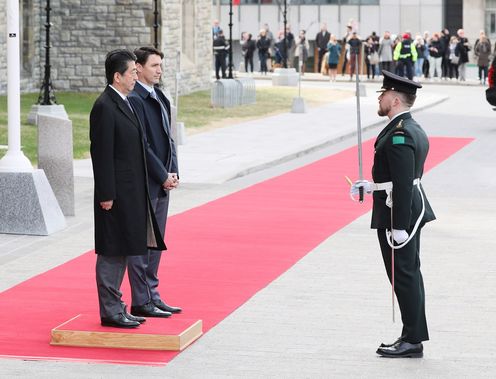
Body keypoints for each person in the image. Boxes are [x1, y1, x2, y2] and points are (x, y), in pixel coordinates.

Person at [350, 70, 436, 358]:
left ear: (395, 100)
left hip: (398, 213)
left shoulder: (399, 134)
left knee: (404, 276)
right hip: (402, 206)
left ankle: (412, 339)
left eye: (383, 93)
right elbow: (398, 177)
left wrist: (398, 225)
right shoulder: (410, 127)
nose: (380, 97)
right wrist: (370, 185)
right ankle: (412, 334)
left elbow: (401, 182)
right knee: (408, 274)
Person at [89, 49, 166, 328]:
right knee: (112, 251)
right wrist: (107, 195)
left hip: (131, 193)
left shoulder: (126, 102)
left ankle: (118, 306)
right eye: (133, 72)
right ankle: (110, 310)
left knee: (123, 249)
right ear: (117, 76)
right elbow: (102, 154)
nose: (137, 76)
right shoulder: (105, 106)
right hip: (116, 196)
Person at [127, 46, 182, 319]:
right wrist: (162, 175)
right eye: (154, 65)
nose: (159, 70)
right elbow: (143, 145)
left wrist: (173, 172)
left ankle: (153, 295)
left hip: (163, 182)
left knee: (156, 242)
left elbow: (169, 140)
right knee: (141, 244)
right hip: (145, 183)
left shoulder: (158, 95)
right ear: (137, 67)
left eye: (161, 65)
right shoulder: (135, 99)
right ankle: (140, 300)